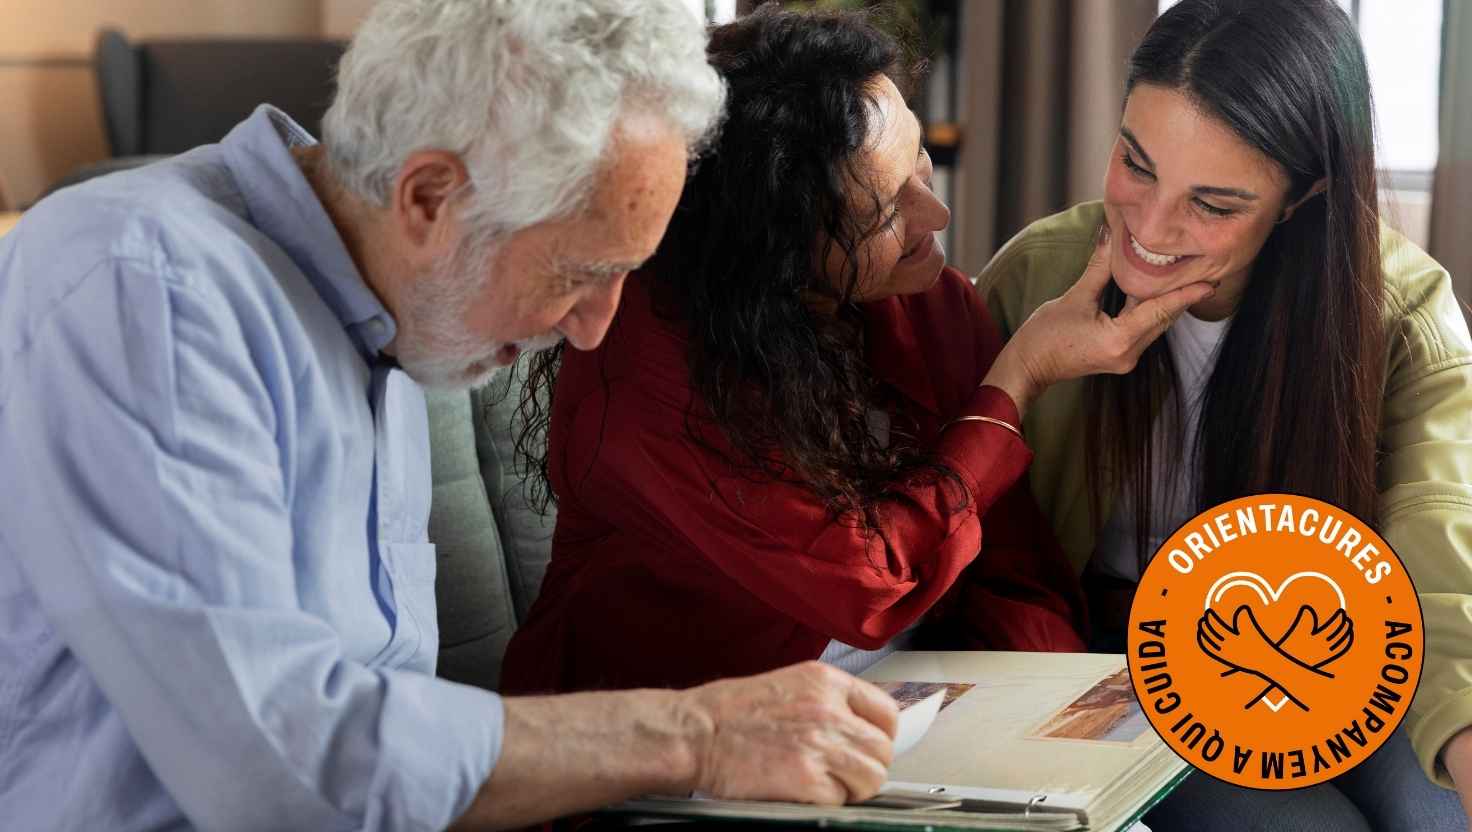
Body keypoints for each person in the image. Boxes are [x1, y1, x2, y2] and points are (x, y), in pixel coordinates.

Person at [0, 2, 905, 829]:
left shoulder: (390, 312)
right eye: (580, 273)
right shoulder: (142, 282)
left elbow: (389, 739)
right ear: (429, 196)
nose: (595, 332)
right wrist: (697, 731)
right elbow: (275, 765)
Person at [499, 7, 1215, 696]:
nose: (936, 218)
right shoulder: (644, 371)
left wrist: (1052, 720)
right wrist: (1017, 378)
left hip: (905, 723)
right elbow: (867, 582)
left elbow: (1009, 565)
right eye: (882, 214)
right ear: (773, 257)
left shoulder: (926, 302)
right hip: (672, 750)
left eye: (919, 160)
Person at [979, 0, 1472, 828]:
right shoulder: (1037, 277)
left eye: (1212, 205)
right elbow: (945, 506)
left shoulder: (1400, 310)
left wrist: (1462, 725)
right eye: (1136, 165)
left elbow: (1441, 530)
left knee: (1438, 809)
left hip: (1317, 655)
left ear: (1301, 195)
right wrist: (1025, 369)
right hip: (1098, 660)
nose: (1150, 228)